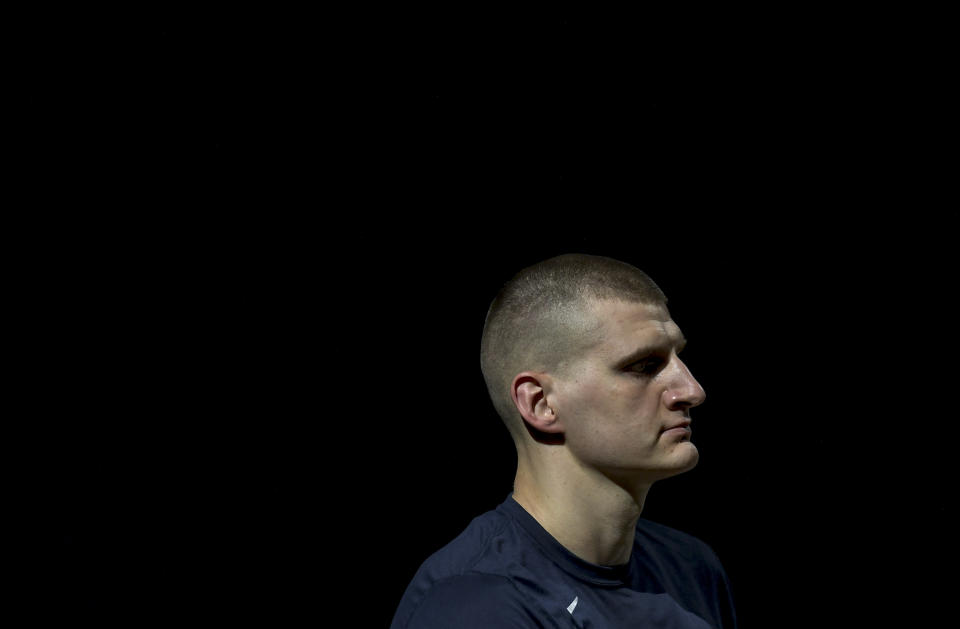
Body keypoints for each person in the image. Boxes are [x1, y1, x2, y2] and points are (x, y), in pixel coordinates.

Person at [390, 253, 737, 628]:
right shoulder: (475, 603)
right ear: (540, 403)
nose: (692, 391)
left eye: (678, 359)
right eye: (644, 366)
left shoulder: (691, 568)